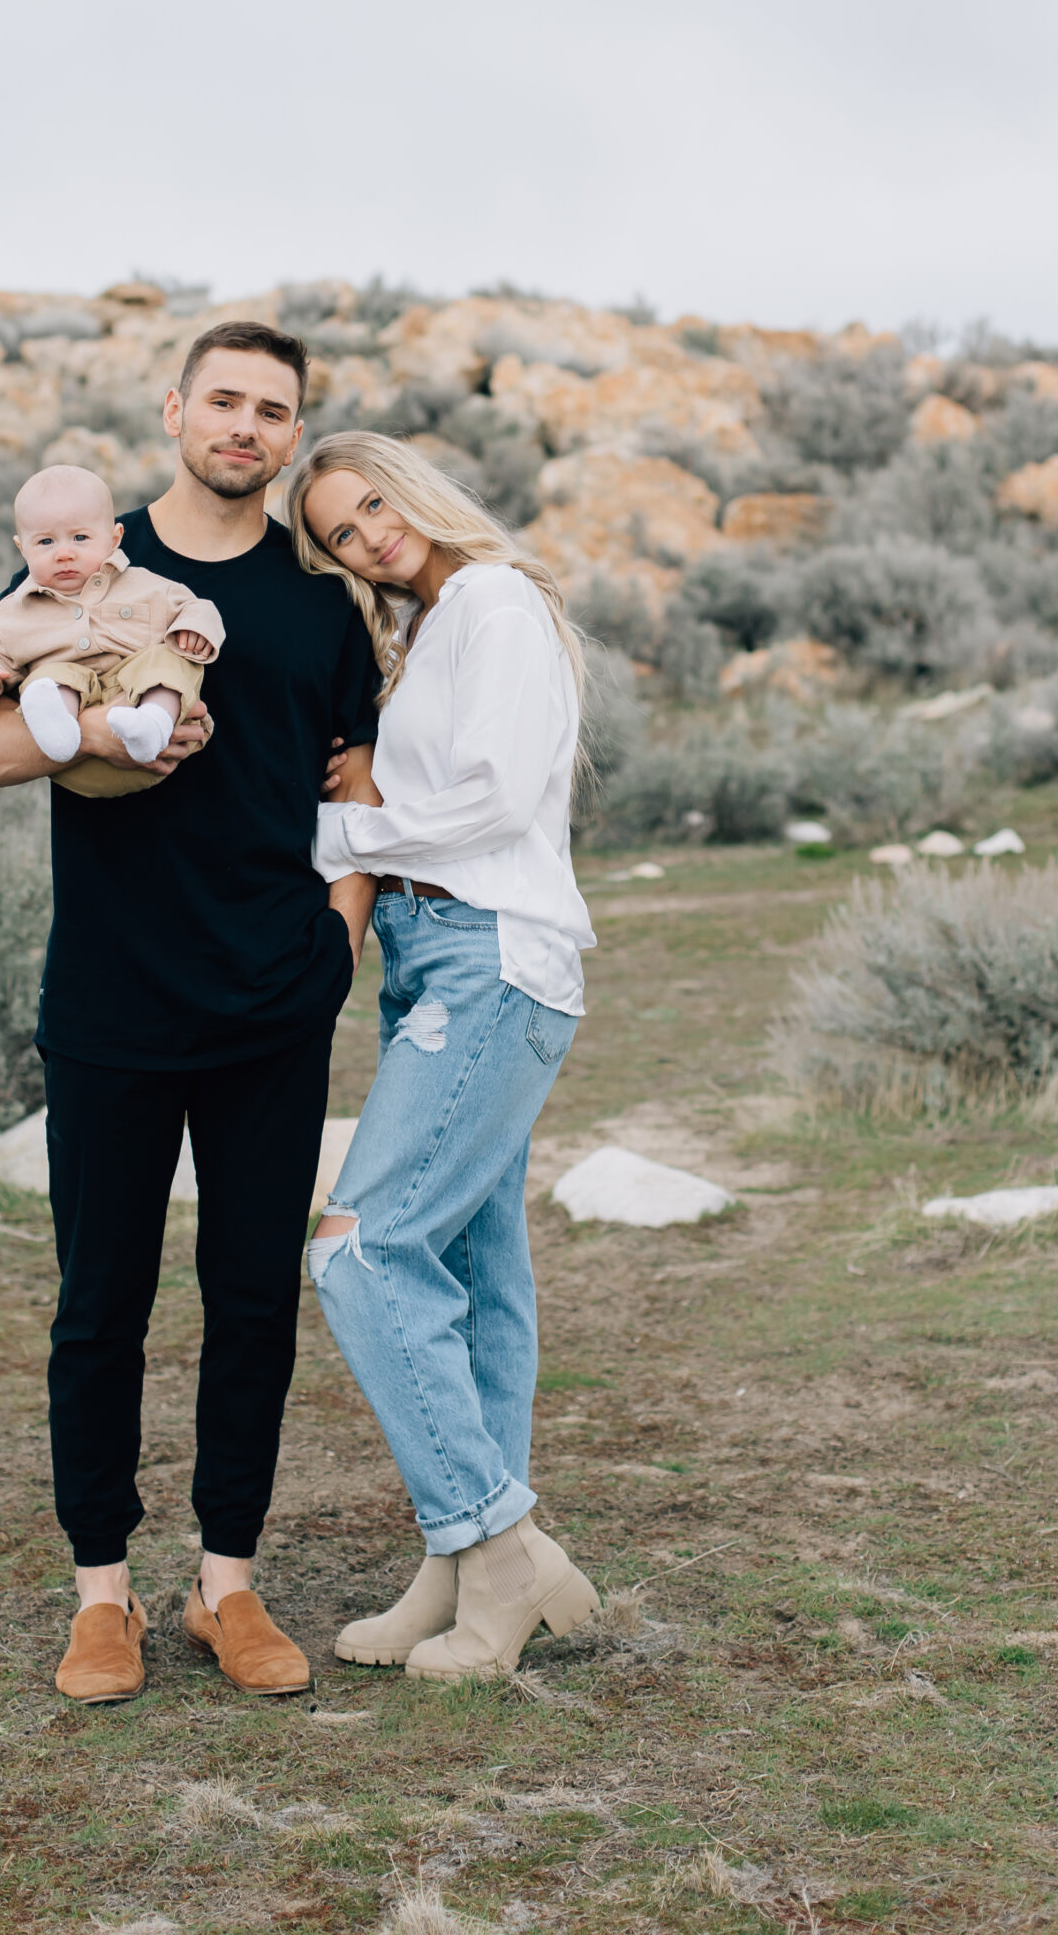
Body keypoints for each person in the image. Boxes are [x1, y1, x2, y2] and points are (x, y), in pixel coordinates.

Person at [0, 322, 381, 1706]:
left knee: (253, 1300)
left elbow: (354, 781)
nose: (247, 426)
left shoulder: (317, 605)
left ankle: (227, 1588)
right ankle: (102, 1597)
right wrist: (102, 745)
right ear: (176, 409)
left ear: (293, 436)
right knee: (99, 1308)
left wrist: (336, 943)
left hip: (271, 1004)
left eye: (275, 410)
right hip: (113, 1002)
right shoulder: (84, 555)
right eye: (226, 400)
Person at [288, 430, 601, 1681]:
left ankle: (502, 1547)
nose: (369, 536)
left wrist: (335, 821)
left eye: (373, 504)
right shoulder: (428, 627)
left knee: (359, 1244)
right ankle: (461, 1557)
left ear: (413, 486)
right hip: (440, 954)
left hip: (487, 956)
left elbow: (497, 793)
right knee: (475, 1268)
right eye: (340, 533)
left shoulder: (490, 601)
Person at [0, 462, 223, 776]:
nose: (64, 553)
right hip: (81, 763)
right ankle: (56, 726)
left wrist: (194, 628)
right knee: (49, 679)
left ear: (114, 538)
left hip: (154, 742)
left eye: (80, 538)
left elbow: (197, 607)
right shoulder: (13, 612)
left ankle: (151, 722)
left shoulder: (144, 585)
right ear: (21, 548)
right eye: (45, 542)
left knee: (167, 662)